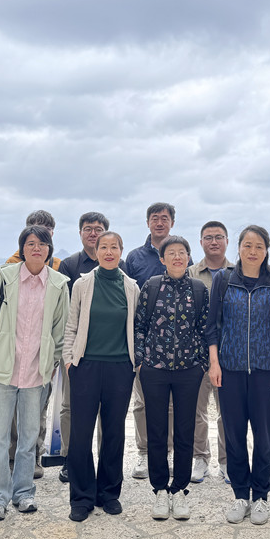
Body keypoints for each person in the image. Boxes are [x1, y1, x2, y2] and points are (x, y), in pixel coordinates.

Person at [0, 226, 69, 521]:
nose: (37, 248)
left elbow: (60, 329)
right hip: (2, 370)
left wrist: (52, 362)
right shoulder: (5, 278)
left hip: (36, 372)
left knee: (29, 438)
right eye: (30, 243)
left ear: (49, 249)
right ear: (22, 248)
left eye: (43, 244)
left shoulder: (58, 284)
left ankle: (24, 492)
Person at [206, 225, 270, 526]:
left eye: (258, 246)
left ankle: (261, 497)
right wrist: (214, 363)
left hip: (266, 370)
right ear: (239, 247)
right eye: (247, 245)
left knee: (265, 437)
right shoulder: (224, 279)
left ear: (266, 249)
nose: (252, 251)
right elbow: (212, 325)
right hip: (229, 369)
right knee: (233, 435)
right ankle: (241, 495)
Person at [63, 231, 139, 522]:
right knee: (81, 434)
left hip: (120, 368)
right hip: (86, 366)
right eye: (103, 247)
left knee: (114, 432)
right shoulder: (82, 284)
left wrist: (134, 363)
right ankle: (81, 497)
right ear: (95, 252)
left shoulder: (132, 287)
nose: (108, 252)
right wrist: (69, 361)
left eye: (114, 247)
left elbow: (136, 328)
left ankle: (109, 493)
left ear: (121, 251)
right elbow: (71, 326)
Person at [135, 236, 208, 521]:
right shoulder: (152, 286)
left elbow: (205, 328)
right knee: (156, 430)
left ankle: (179, 489)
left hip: (189, 370)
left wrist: (201, 363)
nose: (177, 257)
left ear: (189, 257)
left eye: (182, 253)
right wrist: (141, 361)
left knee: (185, 430)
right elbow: (140, 325)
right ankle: (160, 489)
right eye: (171, 253)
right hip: (154, 369)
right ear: (162, 259)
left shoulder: (198, 289)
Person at [55, 211, 125, 483]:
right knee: (72, 411)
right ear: (81, 233)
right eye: (88, 229)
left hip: (116, 360)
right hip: (80, 356)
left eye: (99, 229)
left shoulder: (124, 273)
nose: (93, 233)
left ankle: (106, 476)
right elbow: (67, 315)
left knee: (110, 421)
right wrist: (69, 357)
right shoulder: (70, 265)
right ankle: (69, 461)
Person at [125, 203, 188, 479]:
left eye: (165, 218)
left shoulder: (180, 253)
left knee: (172, 405)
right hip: (146, 345)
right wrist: (138, 354)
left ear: (172, 222)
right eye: (155, 218)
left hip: (177, 347)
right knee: (142, 403)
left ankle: (169, 451)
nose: (160, 222)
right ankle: (144, 452)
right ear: (147, 222)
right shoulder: (134, 257)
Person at [6, 210, 61, 481]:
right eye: (35, 228)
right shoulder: (10, 266)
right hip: (14, 352)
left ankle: (35, 455)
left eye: (46, 229)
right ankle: (12, 456)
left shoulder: (59, 266)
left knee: (39, 409)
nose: (41, 232)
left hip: (43, 352)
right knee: (13, 412)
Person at [188, 221, 232, 484]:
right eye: (208, 237)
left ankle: (227, 460)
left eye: (218, 237)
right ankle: (200, 458)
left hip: (230, 352)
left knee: (227, 410)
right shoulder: (190, 273)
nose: (213, 242)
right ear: (201, 242)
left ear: (227, 241)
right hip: (197, 353)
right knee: (197, 409)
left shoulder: (237, 273)